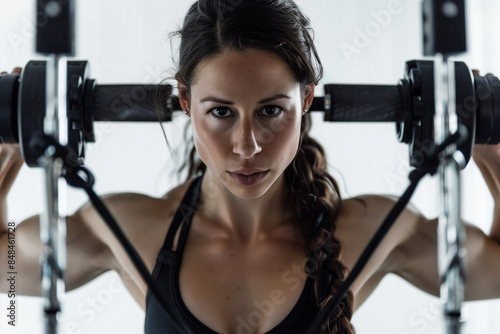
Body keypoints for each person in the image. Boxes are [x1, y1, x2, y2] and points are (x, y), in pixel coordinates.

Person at [2, 0, 500, 333]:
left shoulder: (369, 229)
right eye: (220, 112)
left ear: (305, 100)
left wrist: (485, 145)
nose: (247, 146)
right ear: (184, 100)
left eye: (270, 110)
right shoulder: (133, 230)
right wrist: (13, 150)